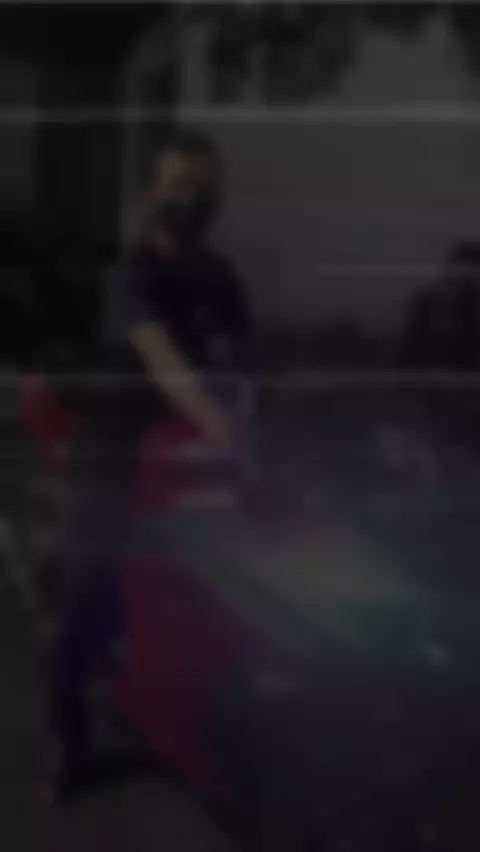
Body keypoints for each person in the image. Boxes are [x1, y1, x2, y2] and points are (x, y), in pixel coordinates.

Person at [39, 126, 255, 800]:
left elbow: (243, 361)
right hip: (113, 457)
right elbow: (165, 363)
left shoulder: (220, 277)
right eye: (179, 187)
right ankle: (67, 744)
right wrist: (217, 420)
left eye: (204, 190)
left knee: (222, 589)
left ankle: (197, 723)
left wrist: (246, 412)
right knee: (82, 594)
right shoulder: (131, 275)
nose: (192, 201)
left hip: (185, 460)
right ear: (151, 196)